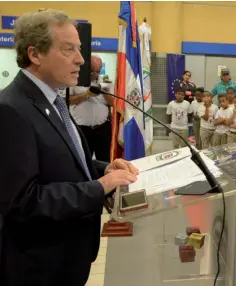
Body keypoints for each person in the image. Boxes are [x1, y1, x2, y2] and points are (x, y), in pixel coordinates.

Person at [0, 10, 138, 285]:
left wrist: (102, 169)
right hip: (39, 266)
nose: (81, 59)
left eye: (79, 49)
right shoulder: (12, 109)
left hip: (68, 258)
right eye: (68, 50)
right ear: (35, 54)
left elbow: (65, 160)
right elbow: (22, 201)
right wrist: (99, 187)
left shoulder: (52, 99)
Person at [70, 55, 113, 162]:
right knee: (83, 161)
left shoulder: (106, 81)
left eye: (98, 71)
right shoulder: (74, 81)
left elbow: (114, 103)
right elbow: (68, 101)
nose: (95, 74)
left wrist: (105, 90)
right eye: (92, 71)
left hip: (102, 129)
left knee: (105, 161)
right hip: (82, 130)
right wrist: (86, 95)